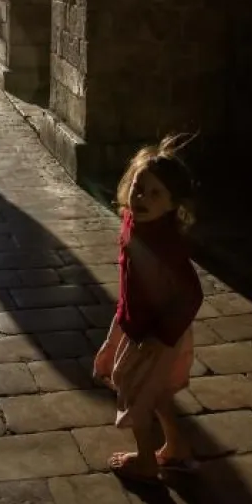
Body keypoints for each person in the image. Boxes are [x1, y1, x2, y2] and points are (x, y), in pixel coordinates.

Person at [93, 137, 203, 484]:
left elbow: (190, 294)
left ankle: (145, 460)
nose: (142, 199)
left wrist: (161, 336)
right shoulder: (134, 221)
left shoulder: (164, 243)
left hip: (156, 333)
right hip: (136, 321)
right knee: (154, 392)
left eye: (156, 195)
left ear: (172, 204)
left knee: (135, 391)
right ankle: (176, 447)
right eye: (139, 189)